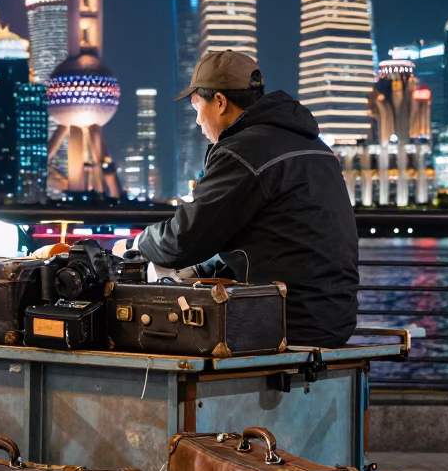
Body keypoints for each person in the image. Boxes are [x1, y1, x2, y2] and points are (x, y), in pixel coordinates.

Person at [114, 49, 359, 348]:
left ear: (219, 102)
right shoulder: (315, 146)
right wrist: (204, 267)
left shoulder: (242, 151)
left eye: (196, 108)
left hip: (283, 322)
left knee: (144, 335)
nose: (197, 121)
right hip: (333, 320)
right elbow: (278, 240)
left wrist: (137, 244)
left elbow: (185, 239)